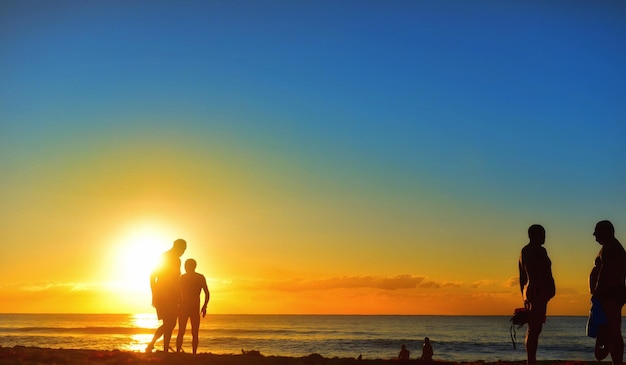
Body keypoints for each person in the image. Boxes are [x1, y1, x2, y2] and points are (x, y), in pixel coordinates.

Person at [590, 220, 626, 365]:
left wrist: (598, 292)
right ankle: (615, 361)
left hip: (610, 294)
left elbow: (606, 273)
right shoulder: (610, 247)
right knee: (610, 329)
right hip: (609, 294)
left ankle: (617, 362)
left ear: (605, 232)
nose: (595, 237)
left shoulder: (611, 248)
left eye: (597, 233)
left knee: (613, 330)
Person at [519, 224, 555, 365]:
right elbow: (539, 273)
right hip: (537, 292)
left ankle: (531, 360)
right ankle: (531, 361)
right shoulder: (538, 250)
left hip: (531, 292)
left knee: (533, 328)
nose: (545, 236)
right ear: (535, 235)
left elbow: (522, 277)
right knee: (534, 329)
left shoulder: (524, 251)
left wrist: (524, 296)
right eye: (543, 234)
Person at [146, 239, 187, 353]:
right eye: (183, 249)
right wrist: (154, 294)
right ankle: (158, 346)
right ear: (177, 247)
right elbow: (153, 276)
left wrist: (180, 296)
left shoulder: (178, 260)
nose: (183, 252)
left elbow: (176, 280)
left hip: (173, 294)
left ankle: (157, 346)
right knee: (169, 322)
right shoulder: (164, 257)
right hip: (162, 294)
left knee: (170, 322)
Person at [176, 258, 210, 354]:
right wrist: (204, 306)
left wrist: (204, 306)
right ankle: (192, 353)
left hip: (186, 307)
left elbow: (207, 293)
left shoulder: (182, 278)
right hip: (191, 307)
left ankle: (180, 352)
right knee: (193, 332)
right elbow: (207, 293)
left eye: (186, 266)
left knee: (182, 331)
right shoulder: (199, 277)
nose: (185, 268)